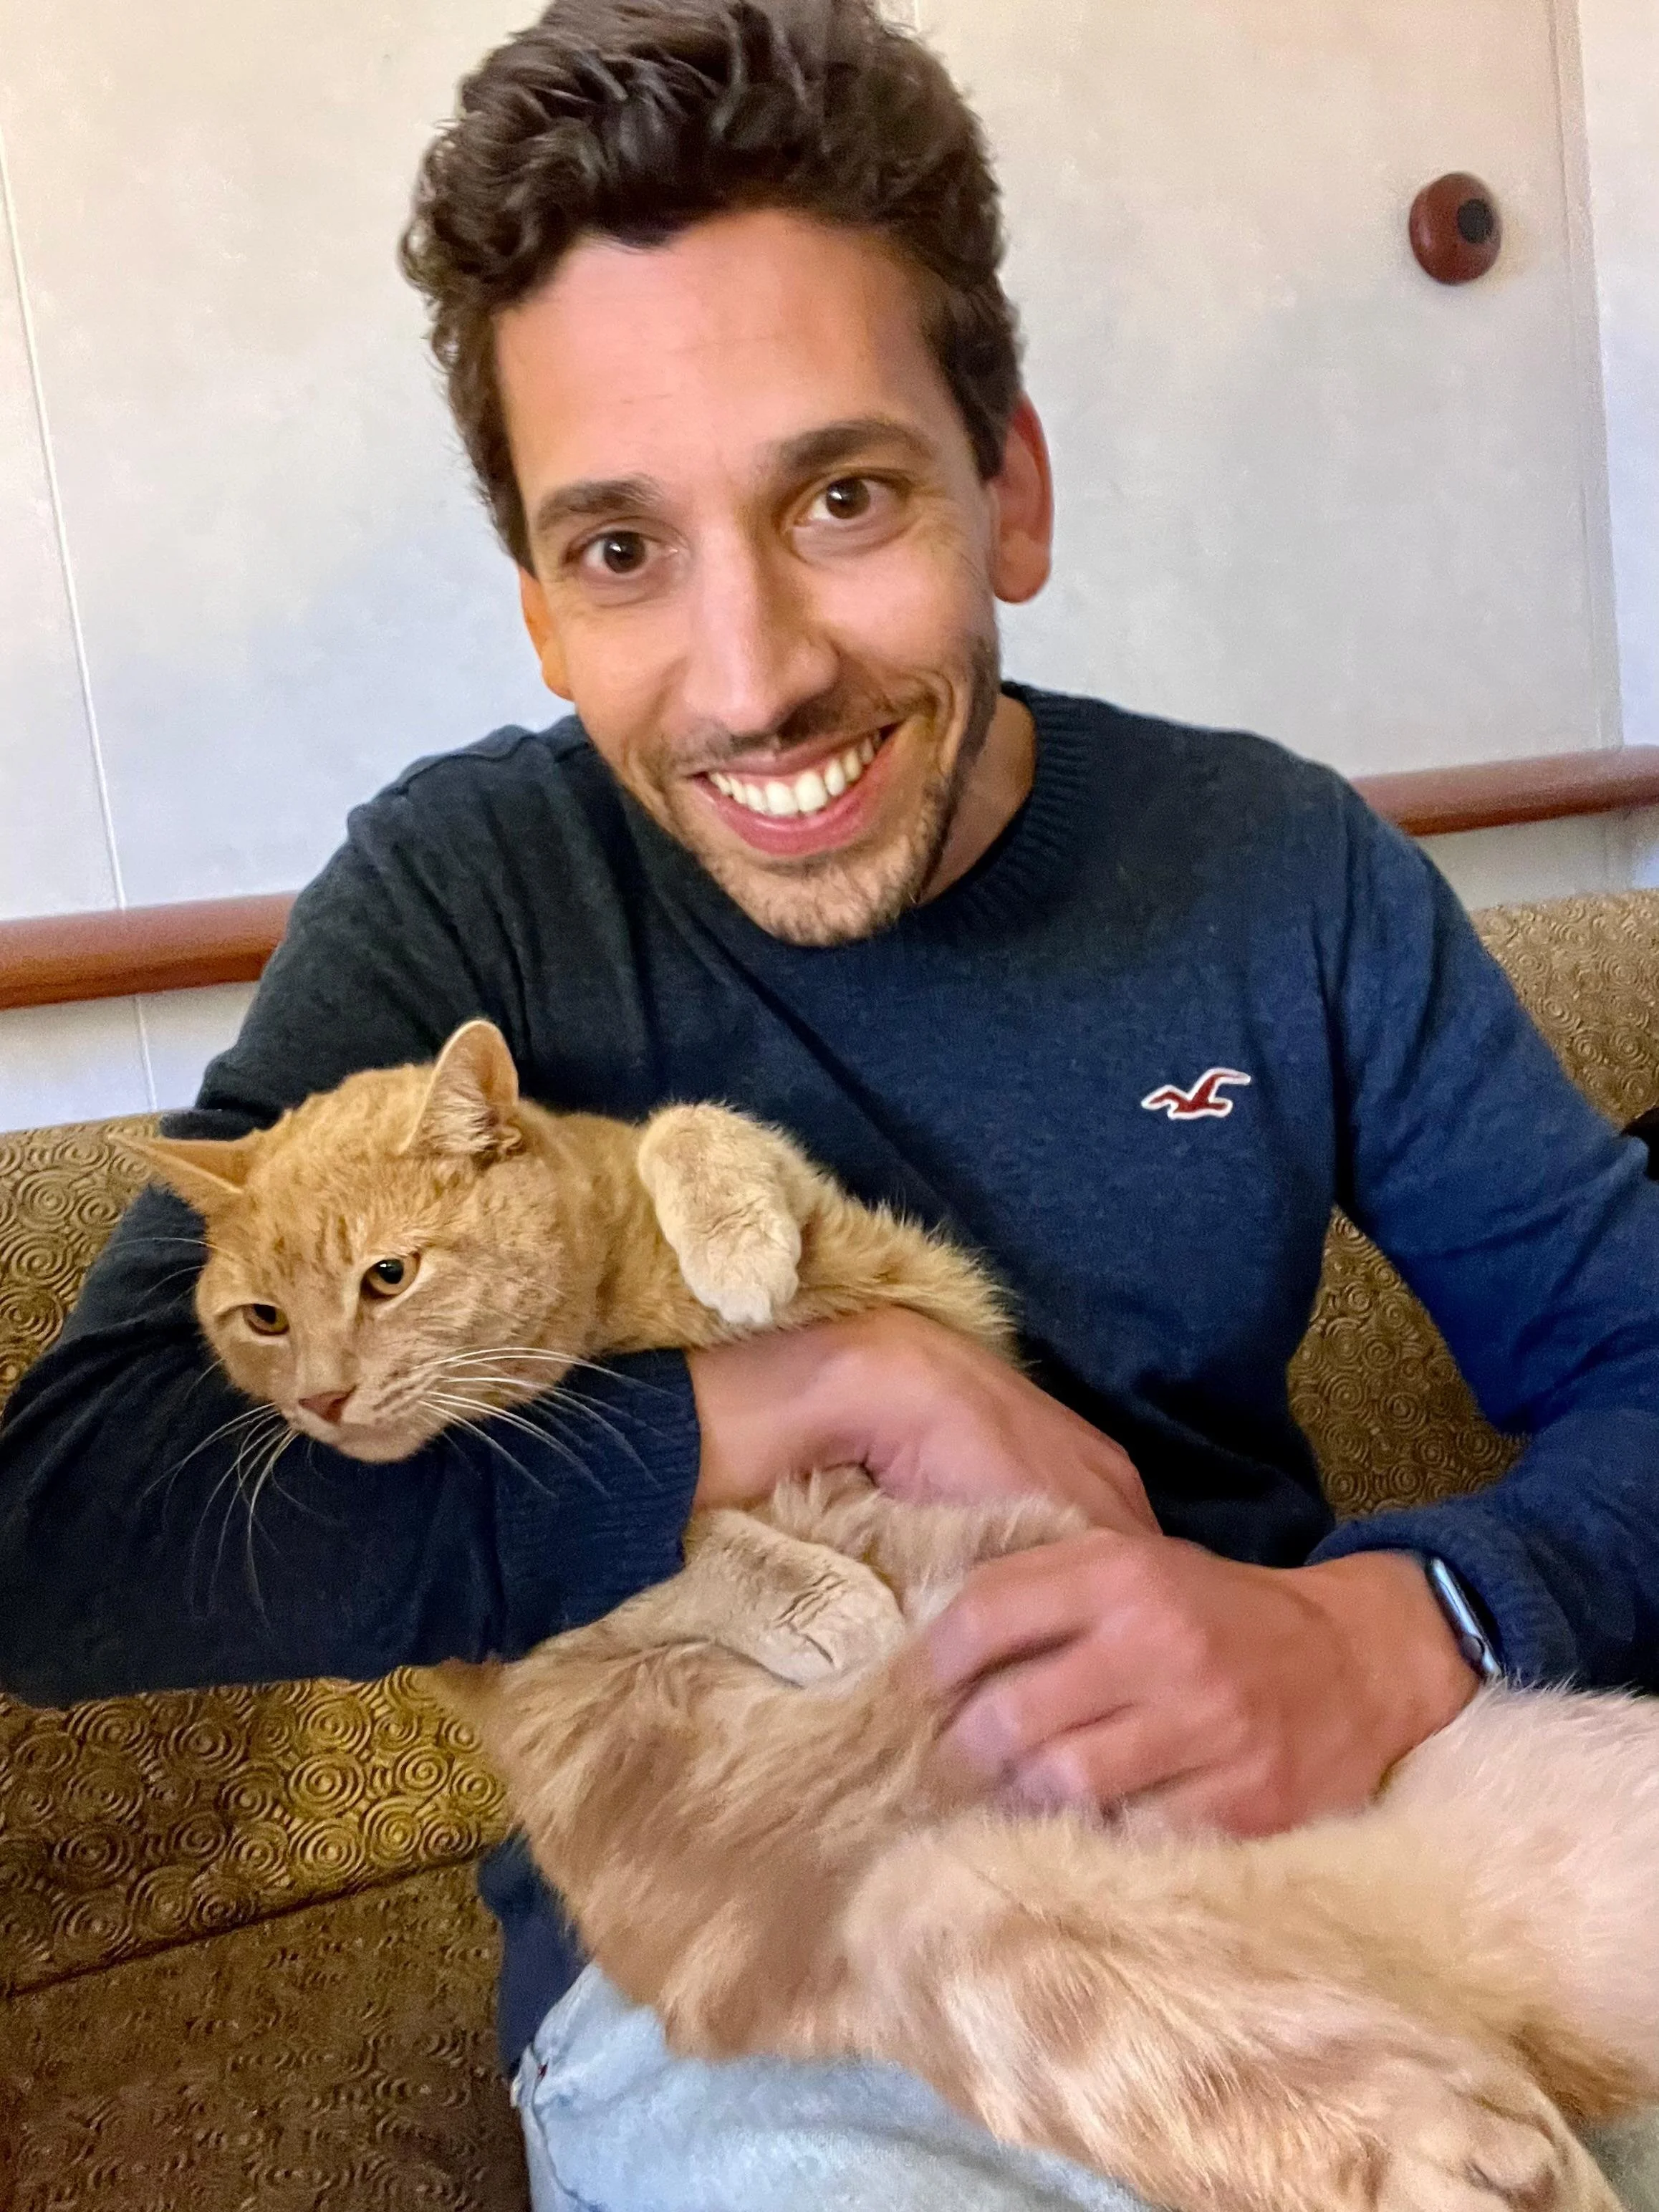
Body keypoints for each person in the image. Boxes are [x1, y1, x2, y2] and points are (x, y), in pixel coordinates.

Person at [4, 2, 1659, 2204]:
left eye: (843, 493)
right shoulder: (466, 897)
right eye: (620, 552)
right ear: (537, 614)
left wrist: (1385, 1629)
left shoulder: (1281, 867)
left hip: (1308, 1785)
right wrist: (819, 1385)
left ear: (1014, 491)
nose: (755, 667)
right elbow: (67, 1535)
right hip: (794, 1926)